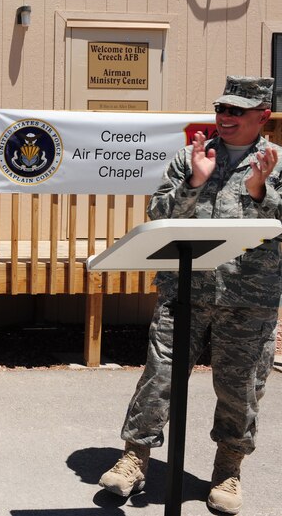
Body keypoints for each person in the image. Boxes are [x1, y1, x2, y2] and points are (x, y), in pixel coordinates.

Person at [98, 76, 282, 514]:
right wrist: (194, 183)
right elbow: (158, 213)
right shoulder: (191, 156)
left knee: (240, 387)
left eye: (238, 110)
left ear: (263, 116)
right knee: (159, 377)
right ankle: (134, 458)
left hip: (248, 296)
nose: (227, 116)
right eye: (222, 107)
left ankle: (228, 469)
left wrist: (261, 192)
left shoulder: (278, 163)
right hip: (185, 291)